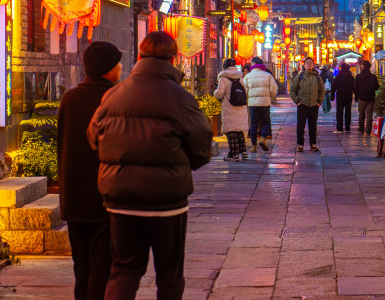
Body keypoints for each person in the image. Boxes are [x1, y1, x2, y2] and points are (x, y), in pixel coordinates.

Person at [87, 31, 212, 300]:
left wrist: (116, 159)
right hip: (167, 201)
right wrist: (181, 165)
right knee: (169, 275)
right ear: (173, 58)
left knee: (123, 270)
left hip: (121, 199)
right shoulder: (181, 97)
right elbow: (202, 144)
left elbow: (93, 136)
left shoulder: (115, 94)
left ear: (140, 56)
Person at [58, 41, 122, 300]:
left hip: (74, 196)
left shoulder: (70, 98)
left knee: (81, 267)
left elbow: (62, 144)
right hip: (104, 197)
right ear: (107, 68)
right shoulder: (115, 99)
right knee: (102, 268)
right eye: (117, 62)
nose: (120, 67)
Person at [214, 58, 249, 161]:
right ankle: (244, 152)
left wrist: (215, 92)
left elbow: (220, 93)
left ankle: (234, 154)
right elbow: (245, 90)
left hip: (229, 107)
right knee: (239, 131)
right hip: (240, 107)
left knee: (231, 132)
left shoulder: (223, 78)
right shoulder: (239, 77)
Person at [290, 57, 325, 152]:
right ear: (304, 65)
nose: (309, 64)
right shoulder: (300, 77)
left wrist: (319, 101)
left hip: (314, 105)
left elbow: (322, 90)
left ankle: (313, 144)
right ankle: (300, 145)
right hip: (302, 105)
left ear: (313, 65)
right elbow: (292, 90)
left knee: (313, 126)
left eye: (310, 63)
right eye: (307, 63)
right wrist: (297, 101)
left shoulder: (317, 77)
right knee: (300, 126)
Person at [243, 56, 277, 153]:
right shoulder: (268, 75)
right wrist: (269, 96)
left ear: (253, 64)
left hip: (253, 104)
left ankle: (253, 146)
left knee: (253, 124)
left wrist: (247, 99)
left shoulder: (248, 76)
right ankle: (263, 139)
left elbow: (244, 90)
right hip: (265, 103)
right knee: (265, 122)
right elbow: (273, 89)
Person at [354, 60, 380, 135]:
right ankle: (368, 130)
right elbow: (377, 86)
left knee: (361, 114)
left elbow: (355, 87)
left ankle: (361, 129)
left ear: (363, 67)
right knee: (369, 115)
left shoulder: (358, 77)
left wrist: (357, 96)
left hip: (361, 98)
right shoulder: (373, 77)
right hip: (371, 98)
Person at [331, 62, 354, 134]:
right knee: (348, 112)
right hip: (348, 96)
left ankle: (340, 128)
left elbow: (334, 86)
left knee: (339, 112)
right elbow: (354, 87)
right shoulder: (351, 77)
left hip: (340, 96)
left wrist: (332, 96)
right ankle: (347, 128)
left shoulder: (338, 76)